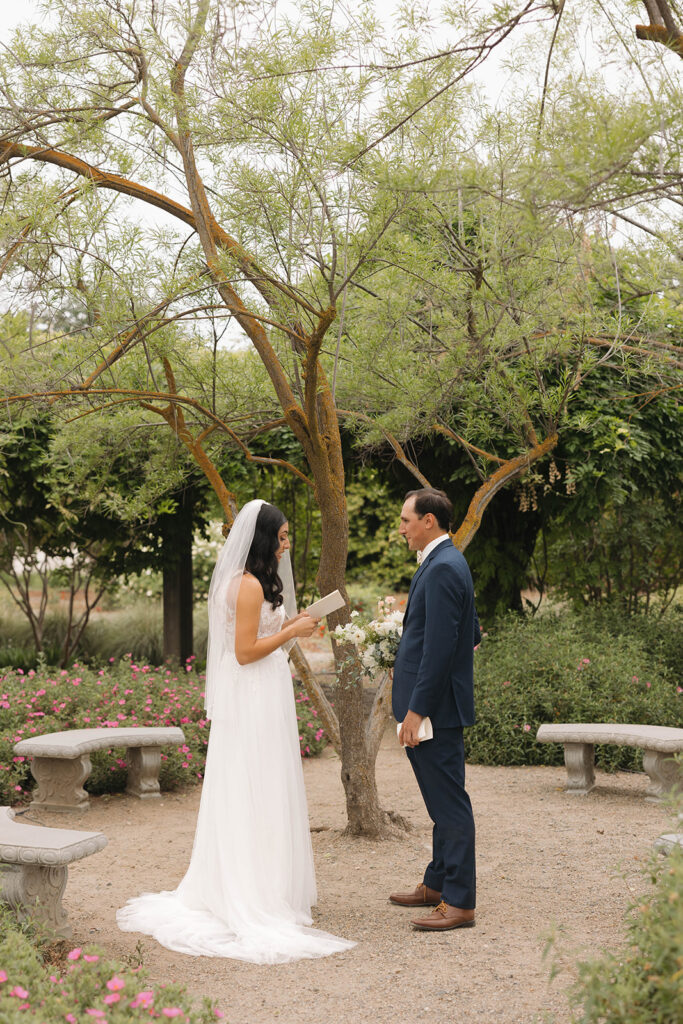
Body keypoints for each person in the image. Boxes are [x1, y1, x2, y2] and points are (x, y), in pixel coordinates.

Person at [117, 499, 355, 963]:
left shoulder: (257, 583)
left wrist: (296, 623)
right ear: (264, 540)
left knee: (268, 785)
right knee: (252, 784)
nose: (287, 544)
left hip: (266, 690)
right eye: (282, 537)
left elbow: (260, 637)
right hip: (252, 694)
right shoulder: (245, 586)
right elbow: (246, 652)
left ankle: (270, 882)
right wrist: (292, 632)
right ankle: (250, 890)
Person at [389, 487, 480, 931]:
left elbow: (441, 647)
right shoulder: (445, 561)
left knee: (450, 807)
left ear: (428, 521)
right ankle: (438, 884)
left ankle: (460, 902)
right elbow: (471, 631)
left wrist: (417, 708)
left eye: (406, 520)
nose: (401, 528)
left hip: (436, 710)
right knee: (440, 804)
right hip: (437, 704)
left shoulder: (443, 567)